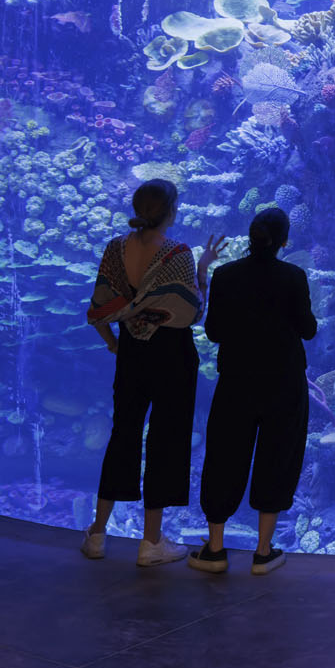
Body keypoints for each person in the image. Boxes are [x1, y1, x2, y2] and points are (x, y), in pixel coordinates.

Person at [79, 178, 224, 566]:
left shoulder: (115, 248)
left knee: (123, 433)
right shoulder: (177, 254)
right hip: (172, 355)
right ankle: (151, 543)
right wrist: (204, 268)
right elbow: (192, 313)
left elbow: (101, 303)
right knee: (166, 440)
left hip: (130, 350)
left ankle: (97, 534)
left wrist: (114, 342)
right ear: (171, 211)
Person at [188, 206, 318, 575]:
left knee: (224, 456)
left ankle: (214, 549)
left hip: (237, 381)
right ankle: (263, 552)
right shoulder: (294, 276)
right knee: (277, 456)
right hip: (283, 382)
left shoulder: (227, 275)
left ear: (250, 238)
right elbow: (307, 330)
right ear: (284, 242)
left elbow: (213, 332)